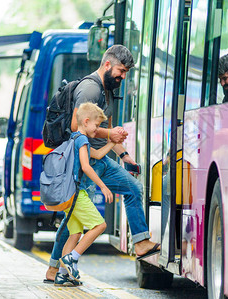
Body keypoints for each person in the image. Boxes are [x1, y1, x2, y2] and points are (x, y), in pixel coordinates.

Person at [45, 45, 160, 283]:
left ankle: (140, 243)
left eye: (126, 71)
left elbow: (107, 132)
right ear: (107, 64)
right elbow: (78, 128)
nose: (123, 76)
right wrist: (109, 135)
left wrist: (125, 155)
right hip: (85, 162)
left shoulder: (106, 91)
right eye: (121, 70)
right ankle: (54, 269)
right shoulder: (90, 88)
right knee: (73, 221)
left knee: (133, 188)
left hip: (101, 159)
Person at [55, 102, 114, 286]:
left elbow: (95, 155)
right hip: (76, 194)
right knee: (100, 225)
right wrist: (103, 186)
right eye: (97, 126)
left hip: (67, 194)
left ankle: (61, 274)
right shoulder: (83, 140)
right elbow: (86, 166)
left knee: (75, 234)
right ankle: (72, 258)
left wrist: (112, 143)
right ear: (86, 121)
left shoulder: (75, 138)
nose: (98, 130)